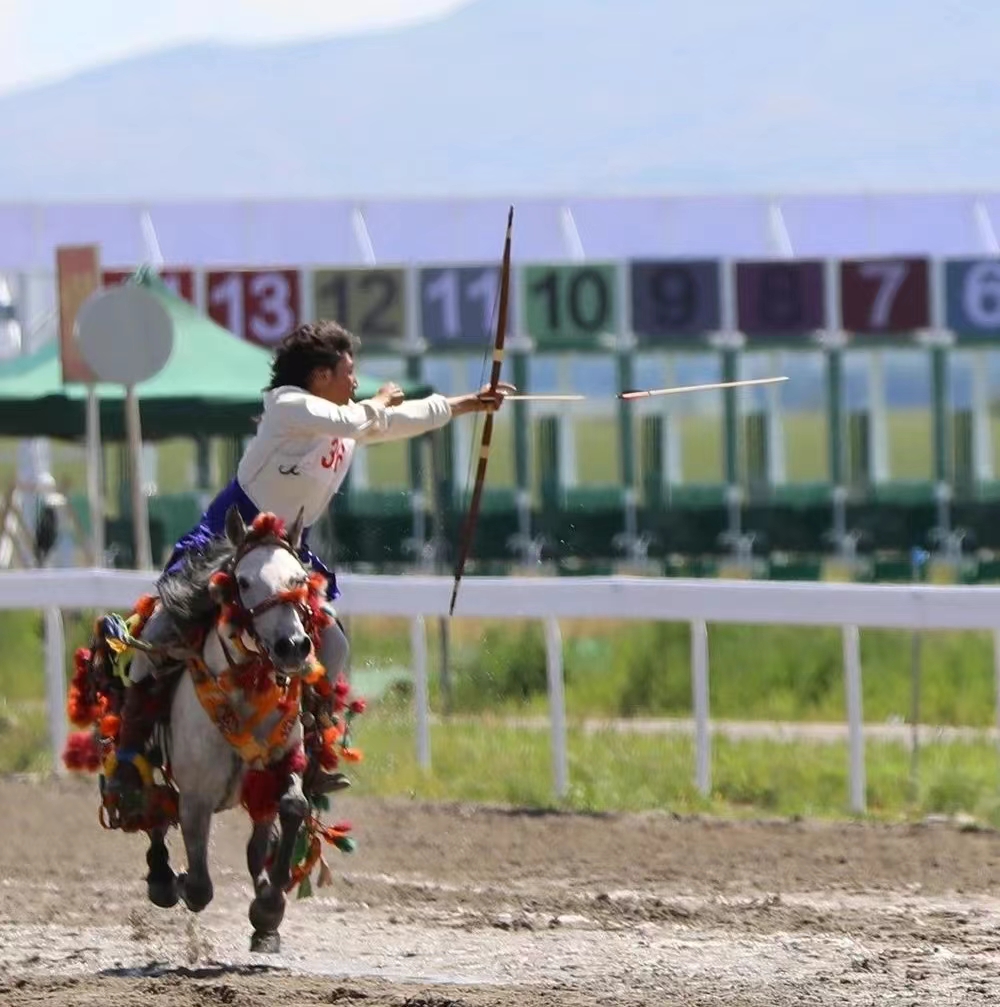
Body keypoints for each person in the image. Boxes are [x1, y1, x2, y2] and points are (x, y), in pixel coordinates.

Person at [109, 319, 513, 803]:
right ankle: (131, 755)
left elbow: (400, 421)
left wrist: (469, 403)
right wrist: (380, 402)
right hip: (226, 539)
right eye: (348, 370)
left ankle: (315, 754)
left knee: (334, 648)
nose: (355, 381)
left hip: (286, 554)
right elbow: (362, 418)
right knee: (156, 633)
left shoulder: (345, 420)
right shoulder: (286, 405)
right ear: (320, 375)